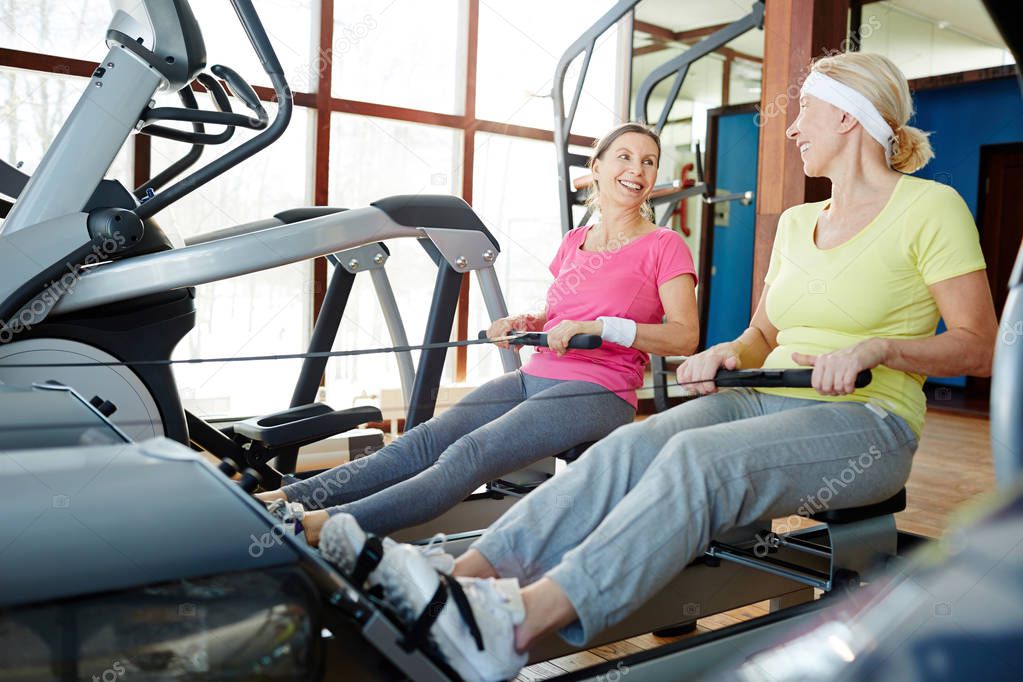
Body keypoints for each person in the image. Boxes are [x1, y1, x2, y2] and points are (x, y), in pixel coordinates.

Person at [317, 52, 999, 682]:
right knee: (630, 445)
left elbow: (978, 344)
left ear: (846, 115)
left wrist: (879, 349)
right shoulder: (796, 221)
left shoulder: (927, 208)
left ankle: (518, 624)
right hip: (760, 393)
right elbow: (763, 332)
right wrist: (726, 352)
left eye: (805, 113)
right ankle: (460, 582)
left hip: (866, 420)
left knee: (696, 460)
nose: (793, 129)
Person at [259, 122, 699, 542]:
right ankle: (278, 500)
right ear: (597, 167)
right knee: (423, 439)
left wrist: (604, 328)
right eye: (625, 157)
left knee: (469, 453)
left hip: (600, 390)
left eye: (649, 161)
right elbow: (561, 312)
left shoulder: (664, 245)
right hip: (535, 375)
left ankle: (315, 527)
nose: (637, 170)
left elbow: (684, 336)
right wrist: (528, 322)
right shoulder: (574, 240)